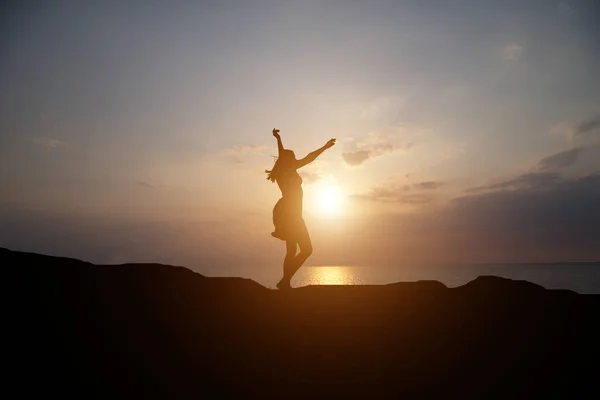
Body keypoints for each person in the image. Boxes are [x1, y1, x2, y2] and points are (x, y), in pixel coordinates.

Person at [266, 128, 336, 289]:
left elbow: (306, 157)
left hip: (292, 214)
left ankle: (285, 281)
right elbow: (298, 155)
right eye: (293, 156)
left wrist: (324, 147)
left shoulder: (288, 169)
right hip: (290, 215)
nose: (296, 158)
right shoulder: (286, 171)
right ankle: (285, 280)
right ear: (288, 160)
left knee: (294, 251)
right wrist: (278, 138)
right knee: (306, 250)